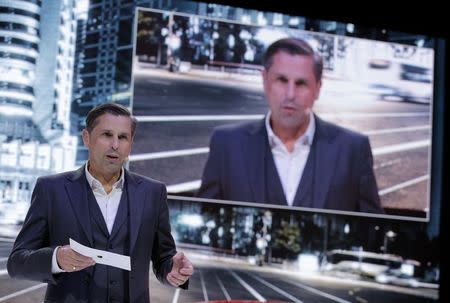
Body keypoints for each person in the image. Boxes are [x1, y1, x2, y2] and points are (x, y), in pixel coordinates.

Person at [8, 103, 194, 302]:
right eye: (107, 135)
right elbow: (17, 262)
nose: (115, 144)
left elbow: (163, 258)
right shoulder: (51, 189)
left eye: (123, 137)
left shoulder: (153, 193)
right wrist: (56, 259)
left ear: (130, 144)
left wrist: (173, 270)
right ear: (86, 138)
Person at [197, 38, 383, 214]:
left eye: (301, 83)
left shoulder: (353, 149)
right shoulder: (227, 144)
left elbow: (373, 231)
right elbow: (203, 218)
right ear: (265, 80)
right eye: (282, 80)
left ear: (317, 88)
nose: (290, 94)